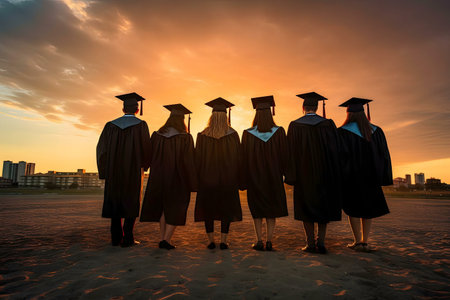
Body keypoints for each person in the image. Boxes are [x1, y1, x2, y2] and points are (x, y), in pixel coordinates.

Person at [285, 92, 343, 254]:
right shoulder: (328, 124)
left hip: (304, 175)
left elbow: (290, 153)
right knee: (323, 208)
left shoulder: (295, 125)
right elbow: (336, 151)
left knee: (306, 208)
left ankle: (310, 243)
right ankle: (321, 243)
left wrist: (291, 175)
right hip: (325, 174)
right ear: (317, 107)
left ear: (303, 107)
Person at [338, 97, 392, 252]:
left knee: (353, 208)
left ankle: (357, 241)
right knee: (367, 209)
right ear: (363, 112)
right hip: (371, 177)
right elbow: (384, 156)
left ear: (349, 114)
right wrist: (382, 175)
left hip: (351, 177)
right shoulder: (376, 130)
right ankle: (364, 240)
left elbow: (340, 156)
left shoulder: (342, 132)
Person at [96, 92, 151, 247]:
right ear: (137, 109)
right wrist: (145, 166)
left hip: (113, 172)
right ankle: (128, 238)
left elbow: (101, 150)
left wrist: (104, 171)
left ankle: (115, 237)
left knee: (115, 202)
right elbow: (147, 148)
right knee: (131, 202)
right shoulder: (141, 125)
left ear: (123, 108)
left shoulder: (110, 126)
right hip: (133, 171)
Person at [140, 104, 197, 250]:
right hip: (178, 178)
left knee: (163, 208)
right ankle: (166, 239)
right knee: (176, 208)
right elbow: (189, 161)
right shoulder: (185, 138)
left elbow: (148, 156)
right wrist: (192, 182)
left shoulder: (157, 135)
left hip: (158, 177)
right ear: (182, 120)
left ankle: (163, 238)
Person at [194, 97, 243, 250]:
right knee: (226, 210)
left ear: (212, 116)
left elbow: (197, 160)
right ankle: (223, 241)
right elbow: (239, 158)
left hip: (207, 180)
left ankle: (210, 241)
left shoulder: (202, 135)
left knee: (208, 210)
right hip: (228, 180)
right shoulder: (233, 135)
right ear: (226, 116)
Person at [241, 95, 288, 251]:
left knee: (257, 210)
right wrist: (283, 174)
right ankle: (269, 240)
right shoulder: (279, 132)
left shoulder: (247, 134)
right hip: (273, 177)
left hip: (254, 178)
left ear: (256, 114)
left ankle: (259, 240)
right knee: (271, 210)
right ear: (270, 112)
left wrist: (244, 179)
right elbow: (284, 156)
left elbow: (244, 159)